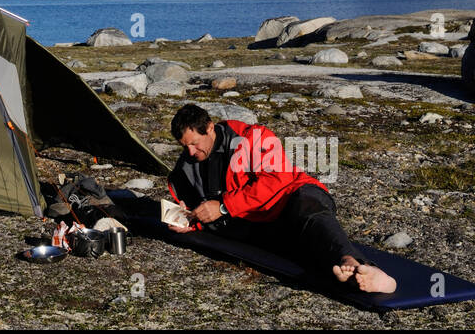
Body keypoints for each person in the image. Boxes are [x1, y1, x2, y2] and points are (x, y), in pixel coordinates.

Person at [166, 103, 396, 294]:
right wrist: (188, 220)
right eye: (185, 147)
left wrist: (225, 207)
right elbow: (196, 205)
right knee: (300, 247)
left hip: (291, 198)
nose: (190, 153)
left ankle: (356, 265)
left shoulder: (252, 137)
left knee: (310, 212)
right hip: (260, 224)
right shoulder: (188, 163)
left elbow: (276, 178)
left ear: (209, 127)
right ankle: (349, 272)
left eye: (194, 144)